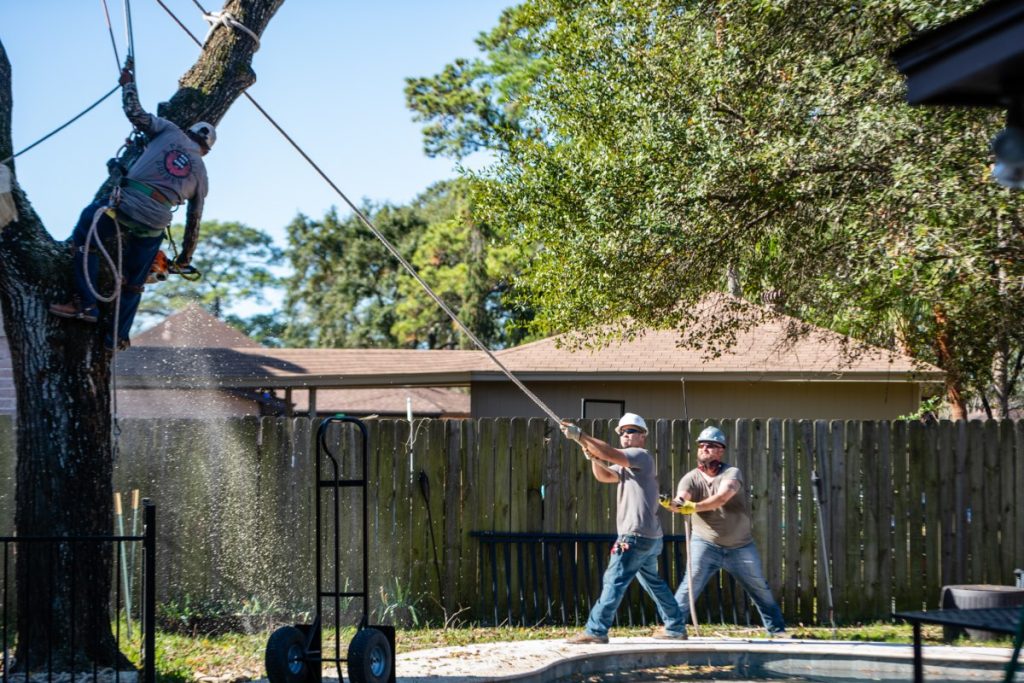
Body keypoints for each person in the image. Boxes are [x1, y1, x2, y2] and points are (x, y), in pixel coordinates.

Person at [49, 58, 212, 350]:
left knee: (86, 238)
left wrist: (128, 85)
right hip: (154, 224)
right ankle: (117, 336)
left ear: (189, 132)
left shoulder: (170, 130)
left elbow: (134, 113)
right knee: (135, 282)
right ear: (206, 149)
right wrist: (184, 258)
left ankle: (86, 305)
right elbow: (194, 222)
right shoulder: (201, 172)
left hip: (124, 205)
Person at [560, 412, 687, 644]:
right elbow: (605, 475)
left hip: (635, 535)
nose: (626, 435)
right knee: (653, 583)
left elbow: (610, 453)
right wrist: (592, 458)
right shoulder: (628, 467)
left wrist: (581, 436)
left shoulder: (641, 456)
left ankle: (596, 630)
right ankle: (676, 626)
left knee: (614, 580)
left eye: (631, 431)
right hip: (649, 537)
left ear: (643, 437)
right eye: (622, 432)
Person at [669, 426, 787, 637]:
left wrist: (694, 507)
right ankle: (673, 628)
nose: (704, 449)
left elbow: (723, 497)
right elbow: (682, 497)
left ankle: (777, 629)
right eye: (701, 445)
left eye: (711, 445)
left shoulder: (731, 473)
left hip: (740, 545)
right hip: (704, 543)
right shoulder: (690, 478)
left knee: (759, 587)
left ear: (721, 450)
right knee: (690, 584)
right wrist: (675, 504)